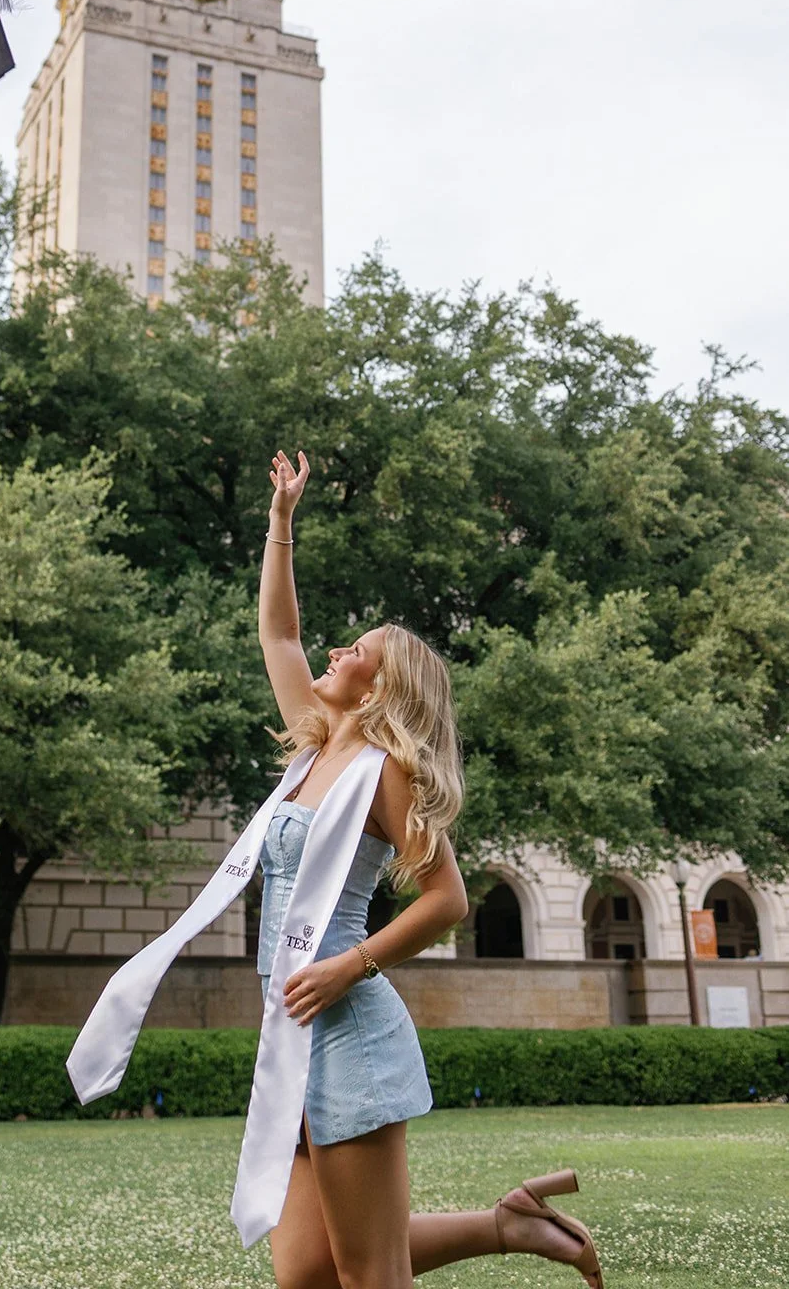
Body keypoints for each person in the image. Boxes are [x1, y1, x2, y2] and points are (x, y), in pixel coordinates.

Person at [258, 448, 604, 1289]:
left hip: (349, 1031)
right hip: (292, 1034)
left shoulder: (385, 772)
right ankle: (509, 1223)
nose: (336, 651)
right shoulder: (311, 745)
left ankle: (511, 1223)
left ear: (381, 688)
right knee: (306, 1270)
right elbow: (279, 632)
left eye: (358, 651)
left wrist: (351, 964)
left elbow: (446, 898)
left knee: (372, 1275)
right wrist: (281, 525)